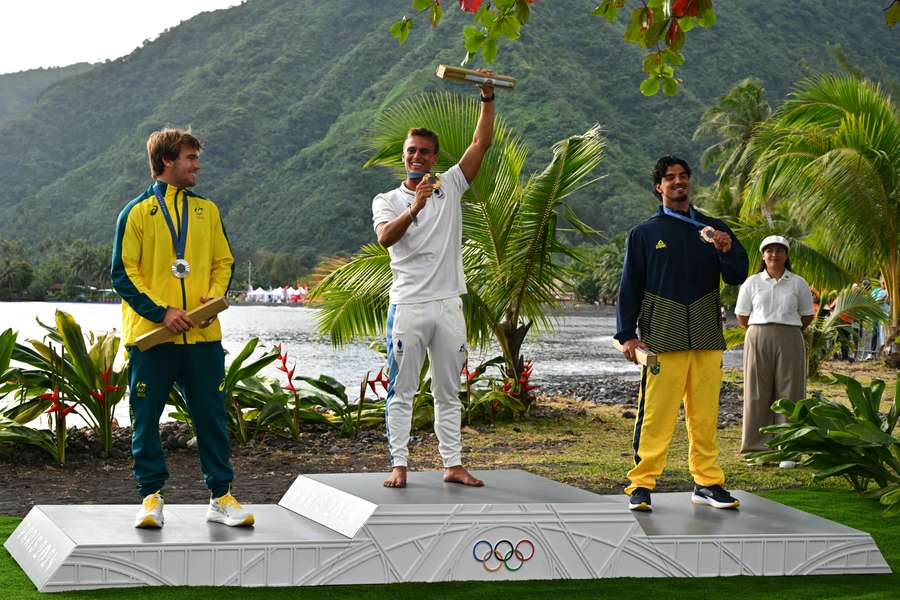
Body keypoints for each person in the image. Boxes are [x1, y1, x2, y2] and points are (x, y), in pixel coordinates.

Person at [111, 128, 253, 528]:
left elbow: (223, 262)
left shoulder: (208, 210)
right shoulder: (135, 213)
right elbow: (123, 273)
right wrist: (162, 312)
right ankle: (151, 498)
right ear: (168, 160)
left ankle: (221, 496)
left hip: (203, 336)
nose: (197, 165)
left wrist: (211, 300)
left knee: (211, 416)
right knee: (146, 417)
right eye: (191, 157)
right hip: (152, 338)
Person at [372, 76, 496, 489]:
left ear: (435, 157)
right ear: (403, 156)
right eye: (411, 151)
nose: (417, 156)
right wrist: (416, 207)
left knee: (448, 389)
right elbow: (386, 237)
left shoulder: (451, 185)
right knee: (402, 389)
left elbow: (480, 145)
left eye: (425, 152)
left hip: (448, 304)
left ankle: (452, 463)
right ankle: (399, 465)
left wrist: (487, 98)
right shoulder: (387, 199)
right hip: (408, 305)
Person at [614, 156, 748, 511]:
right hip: (663, 339)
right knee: (656, 415)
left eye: (683, 177)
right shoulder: (644, 234)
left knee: (704, 416)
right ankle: (641, 485)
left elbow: (737, 275)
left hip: (706, 335)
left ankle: (707, 482)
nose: (678, 182)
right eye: (670, 178)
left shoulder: (713, 229)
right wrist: (626, 334)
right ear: (658, 187)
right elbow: (630, 286)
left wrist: (728, 249)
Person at [734, 235, 814, 467]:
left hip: (790, 336)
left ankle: (788, 449)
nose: (774, 255)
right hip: (758, 335)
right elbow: (742, 316)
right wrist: (763, 328)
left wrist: (786, 327)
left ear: (786, 255)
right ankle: (756, 448)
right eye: (769, 250)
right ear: (763, 255)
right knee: (756, 391)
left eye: (779, 251)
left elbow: (807, 315)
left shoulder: (798, 283)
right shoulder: (752, 283)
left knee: (791, 391)